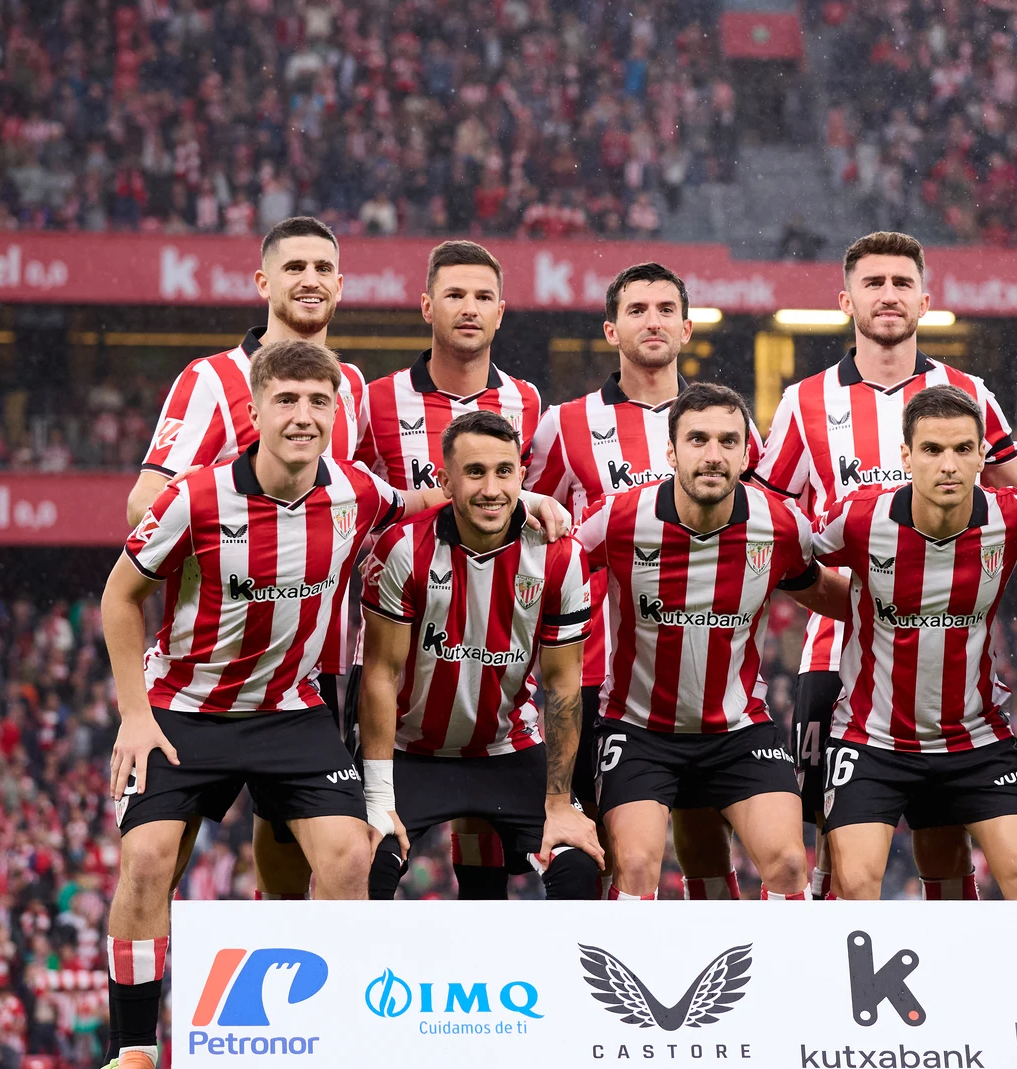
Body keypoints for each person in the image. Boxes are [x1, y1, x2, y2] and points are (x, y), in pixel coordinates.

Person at [101, 341, 565, 1069]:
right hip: (186, 709)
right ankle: (132, 1048)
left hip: (292, 709)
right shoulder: (196, 496)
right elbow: (119, 594)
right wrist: (134, 711)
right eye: (286, 400)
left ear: (336, 412)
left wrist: (525, 497)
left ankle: (329, 1045)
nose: (303, 415)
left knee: (352, 857)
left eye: (319, 402)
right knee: (147, 859)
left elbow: (423, 498)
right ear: (254, 411)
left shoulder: (353, 489)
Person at [755, 230, 1017, 899]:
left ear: (926, 299)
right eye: (873, 283)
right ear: (846, 299)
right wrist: (855, 600)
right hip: (834, 657)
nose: (888, 295)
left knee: (944, 841)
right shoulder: (804, 401)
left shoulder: (968, 391)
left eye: (902, 283)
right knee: (828, 858)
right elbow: (770, 526)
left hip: (943, 653)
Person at [123, 216, 369, 903]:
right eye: (295, 268)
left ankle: (288, 998)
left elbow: (365, 503)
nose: (310, 280)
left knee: (297, 855)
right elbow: (143, 502)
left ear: (341, 287)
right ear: (264, 282)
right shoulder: (211, 379)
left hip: (312, 678)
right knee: (157, 862)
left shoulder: (348, 385)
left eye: (323, 268)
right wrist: (240, 544)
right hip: (207, 674)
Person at [525, 261, 762, 900]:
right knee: (603, 854)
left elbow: (761, 531)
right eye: (637, 310)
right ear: (611, 329)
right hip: (597, 673)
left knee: (707, 839)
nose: (652, 321)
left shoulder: (731, 429)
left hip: (703, 669)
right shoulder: (564, 424)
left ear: (687, 328)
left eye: (665, 309)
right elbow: (536, 532)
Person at [574, 383, 845, 900]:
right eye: (697, 439)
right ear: (671, 451)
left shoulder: (781, 524)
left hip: (738, 731)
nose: (713, 455)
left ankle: (773, 979)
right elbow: (548, 574)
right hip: (638, 729)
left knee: (790, 865)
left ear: (747, 455)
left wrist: (914, 606)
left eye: (727, 441)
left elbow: (819, 588)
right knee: (633, 866)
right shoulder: (620, 517)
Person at [355, 239, 544, 899]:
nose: (469, 308)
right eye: (455, 294)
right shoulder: (375, 404)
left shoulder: (527, 403)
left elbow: (529, 526)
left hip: (492, 655)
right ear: (426, 305)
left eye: (483, 296)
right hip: (396, 651)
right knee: (365, 850)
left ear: (501, 312)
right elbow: (348, 506)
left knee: (487, 844)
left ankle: (486, 992)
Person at [813, 385, 1017, 900]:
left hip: (975, 739)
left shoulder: (1009, 517)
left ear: (983, 455)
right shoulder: (857, 518)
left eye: (963, 449)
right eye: (932, 449)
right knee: (854, 886)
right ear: (906, 455)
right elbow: (792, 561)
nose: (948, 464)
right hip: (871, 739)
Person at [359, 410, 604, 903]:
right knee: (363, 866)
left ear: (521, 477)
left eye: (504, 471)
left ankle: (551, 981)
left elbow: (561, 686)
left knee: (578, 865)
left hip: (506, 748)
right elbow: (380, 675)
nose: (491, 488)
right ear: (446, 482)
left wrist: (559, 802)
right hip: (412, 749)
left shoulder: (561, 556)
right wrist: (379, 798)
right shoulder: (403, 550)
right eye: (475, 473)